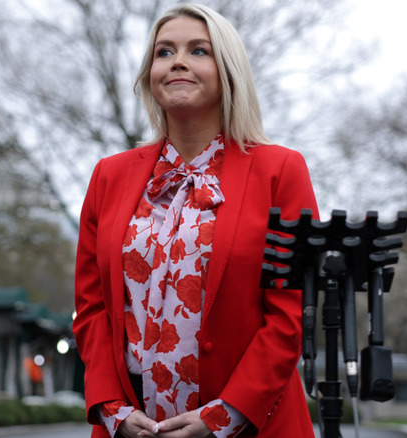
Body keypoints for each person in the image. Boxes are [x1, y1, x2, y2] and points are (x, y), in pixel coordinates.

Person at [73, 3, 318, 437]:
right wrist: (112, 408)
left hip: (252, 425)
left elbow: (290, 313)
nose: (178, 61)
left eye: (198, 51)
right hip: (133, 427)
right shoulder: (109, 175)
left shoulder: (281, 170)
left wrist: (224, 415)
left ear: (227, 72)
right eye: (164, 51)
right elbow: (91, 309)